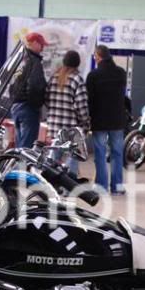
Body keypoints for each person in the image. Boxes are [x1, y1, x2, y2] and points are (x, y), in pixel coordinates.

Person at [86, 45, 128, 194]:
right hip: (117, 119)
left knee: (100, 154)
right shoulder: (121, 73)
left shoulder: (93, 76)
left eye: (94, 56)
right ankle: (117, 187)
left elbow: (90, 100)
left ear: (98, 56)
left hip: (99, 120)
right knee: (117, 153)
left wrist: (88, 118)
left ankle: (101, 187)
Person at [44, 50, 90, 176]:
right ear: (77, 64)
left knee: (53, 157)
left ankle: (51, 183)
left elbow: (47, 100)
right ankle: (69, 186)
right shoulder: (77, 80)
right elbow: (81, 106)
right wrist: (85, 124)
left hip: (54, 126)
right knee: (72, 158)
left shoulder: (53, 78)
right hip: (70, 128)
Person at [10, 32, 47, 148]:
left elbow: (12, 83)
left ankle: (16, 165)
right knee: (26, 148)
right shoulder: (34, 62)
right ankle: (21, 166)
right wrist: (36, 105)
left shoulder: (20, 60)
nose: (43, 48)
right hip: (28, 108)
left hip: (16, 106)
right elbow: (35, 86)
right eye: (41, 44)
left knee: (20, 144)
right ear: (35, 43)